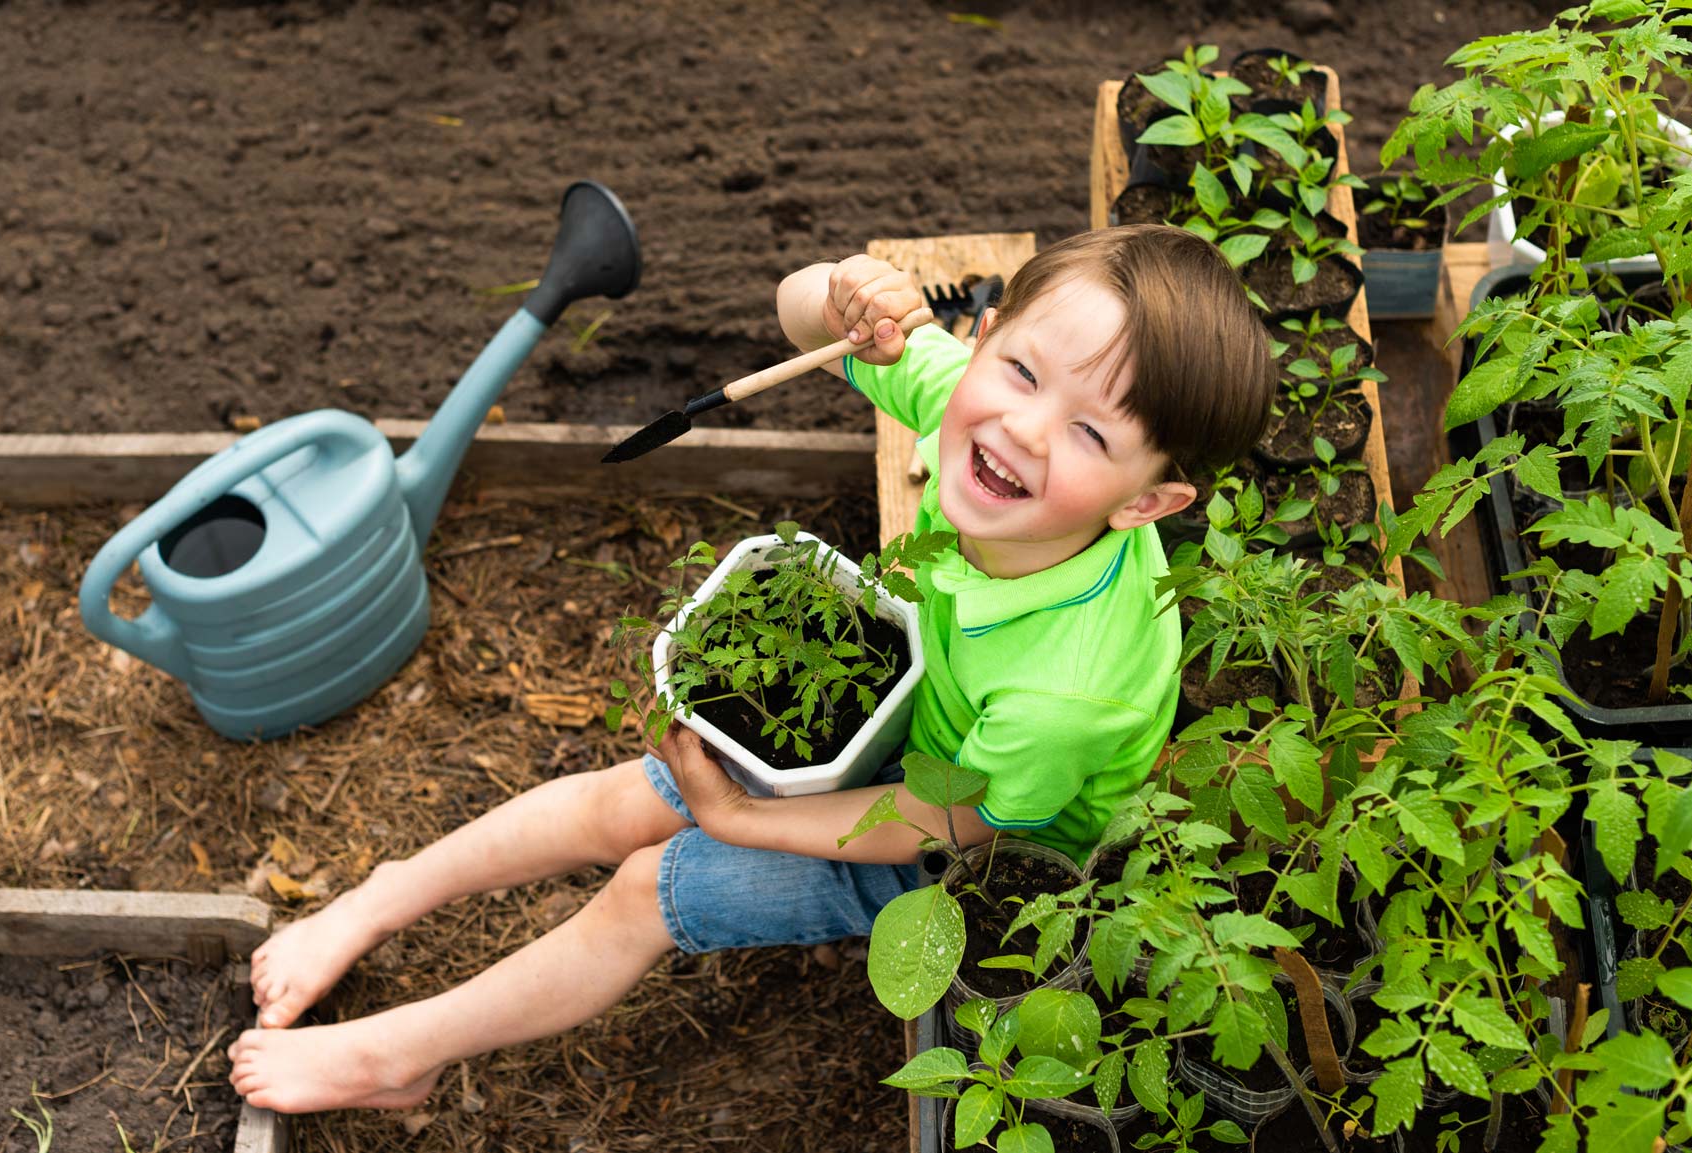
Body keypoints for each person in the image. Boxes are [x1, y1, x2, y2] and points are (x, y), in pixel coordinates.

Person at [227, 224, 1276, 1113]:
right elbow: (792, 319)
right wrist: (834, 295)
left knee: (648, 883)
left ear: (1147, 502)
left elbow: (938, 821)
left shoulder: (1064, 695)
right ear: (984, 336)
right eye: (1018, 373)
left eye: (1090, 434)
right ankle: (382, 895)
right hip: (924, 719)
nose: (1022, 428)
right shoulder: (979, 401)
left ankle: (399, 1054)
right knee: (616, 804)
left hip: (979, 849)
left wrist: (740, 818)